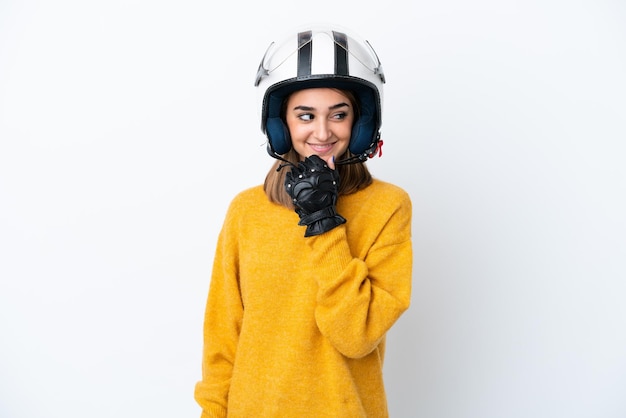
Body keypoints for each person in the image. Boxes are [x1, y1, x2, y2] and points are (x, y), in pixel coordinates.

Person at [194, 24, 413, 418]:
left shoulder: (388, 207)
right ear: (281, 125)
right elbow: (223, 339)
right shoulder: (247, 210)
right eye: (305, 115)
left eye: (339, 114)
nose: (322, 131)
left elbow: (356, 335)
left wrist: (323, 223)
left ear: (360, 125)